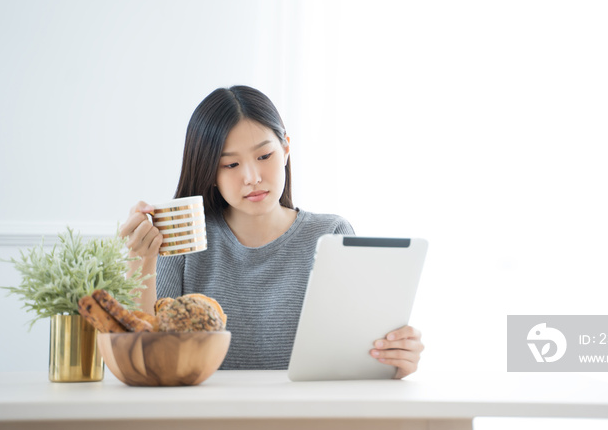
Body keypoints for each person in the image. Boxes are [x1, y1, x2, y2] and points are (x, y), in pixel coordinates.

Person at [119, 85, 424, 378]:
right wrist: (139, 263)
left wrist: (392, 360)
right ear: (209, 172)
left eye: (264, 157)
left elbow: (356, 355)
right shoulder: (182, 239)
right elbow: (144, 362)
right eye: (231, 164)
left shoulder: (331, 234)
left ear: (286, 149)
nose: (252, 177)